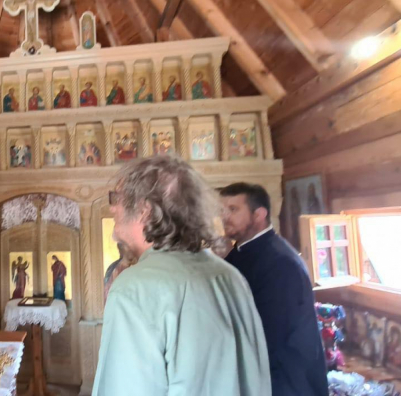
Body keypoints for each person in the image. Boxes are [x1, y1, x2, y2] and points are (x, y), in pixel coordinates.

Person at [94, 156, 270, 395]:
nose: (113, 208)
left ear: (145, 210)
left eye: (118, 199)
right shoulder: (230, 276)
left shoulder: (134, 287)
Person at [220, 182, 328, 396]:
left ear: (259, 215)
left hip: (285, 380)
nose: (225, 217)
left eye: (233, 209)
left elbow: (270, 334)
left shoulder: (280, 262)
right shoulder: (241, 251)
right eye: (222, 210)